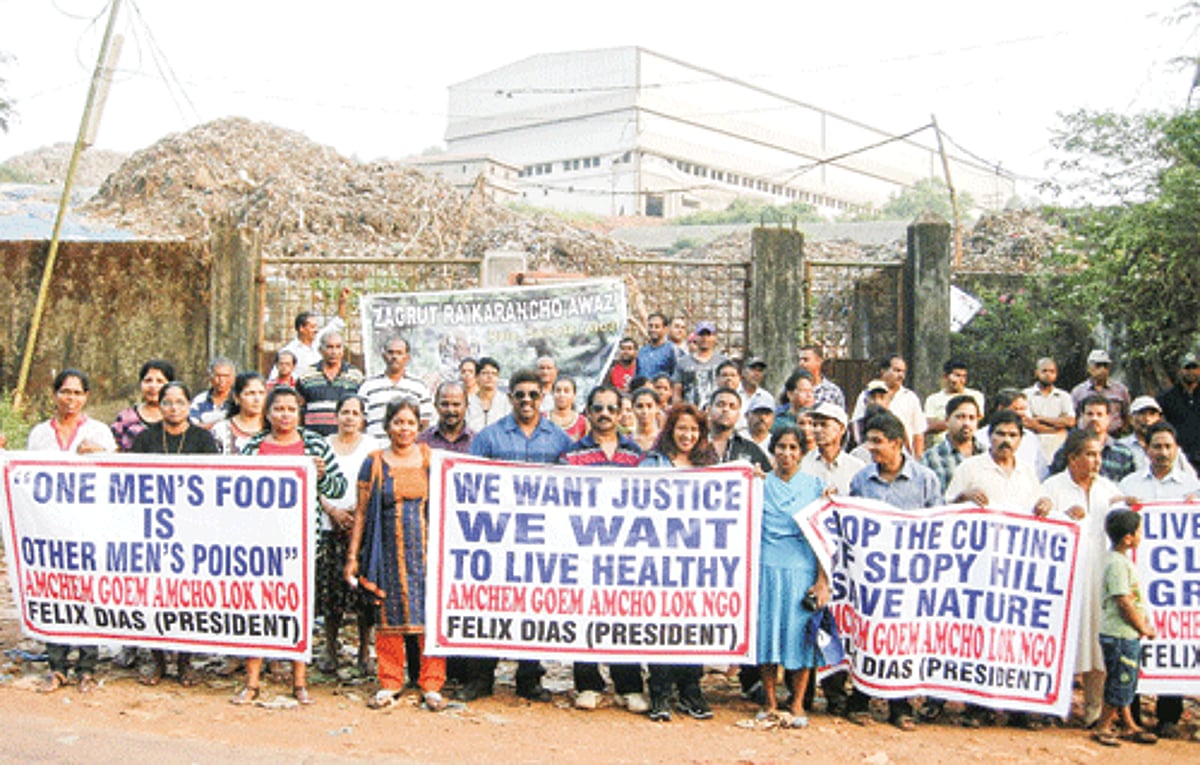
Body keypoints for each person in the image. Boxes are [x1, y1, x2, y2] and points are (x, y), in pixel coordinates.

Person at [463, 369, 573, 702]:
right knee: (491, 604)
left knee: (533, 606)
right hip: (498, 537)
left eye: (533, 395)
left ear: (543, 397)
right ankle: (481, 677)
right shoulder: (489, 437)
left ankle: (529, 677)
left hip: (541, 538)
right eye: (520, 394)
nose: (527, 400)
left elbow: (574, 487)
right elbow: (469, 483)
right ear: (509, 397)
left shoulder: (559, 440)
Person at [233, 385, 347, 706]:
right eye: (279, 409)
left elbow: (338, 488)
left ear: (300, 413)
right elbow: (237, 491)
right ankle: (252, 682)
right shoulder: (253, 447)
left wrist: (322, 476)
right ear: (268, 414)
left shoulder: (315, 445)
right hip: (261, 543)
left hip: (303, 543)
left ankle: (299, 682)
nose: (285, 415)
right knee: (257, 610)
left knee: (300, 611)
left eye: (291, 409)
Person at [344, 398, 448, 712]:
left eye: (410, 423)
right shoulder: (374, 462)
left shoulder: (430, 459)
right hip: (385, 552)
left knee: (429, 618)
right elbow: (362, 513)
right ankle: (390, 681)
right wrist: (353, 557)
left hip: (427, 553)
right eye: (398, 422)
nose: (404, 429)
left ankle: (432, 684)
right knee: (387, 618)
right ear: (387, 426)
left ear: (419, 426)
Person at [846, 411, 940, 730]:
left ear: (897, 443)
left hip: (909, 576)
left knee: (902, 639)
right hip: (871, 574)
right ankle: (860, 698)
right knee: (868, 633)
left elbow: (939, 525)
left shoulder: (925, 479)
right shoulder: (861, 479)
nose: (870, 448)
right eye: (868, 441)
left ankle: (900, 705)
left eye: (877, 442)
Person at [559, 385, 647, 713]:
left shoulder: (636, 455)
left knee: (624, 613)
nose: (605, 414)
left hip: (625, 548)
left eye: (611, 408)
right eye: (598, 408)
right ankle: (588, 683)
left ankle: (629, 684)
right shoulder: (571, 455)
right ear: (588, 412)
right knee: (585, 611)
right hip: (584, 546)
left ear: (621, 412)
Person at [27, 369, 117, 693]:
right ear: (55, 395)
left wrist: (101, 455)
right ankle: (57, 665)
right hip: (50, 525)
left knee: (88, 591)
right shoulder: (40, 434)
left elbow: (116, 473)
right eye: (65, 392)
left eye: (78, 393)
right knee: (53, 590)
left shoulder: (99, 432)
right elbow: (27, 476)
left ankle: (87, 666)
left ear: (87, 397)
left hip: (88, 525)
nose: (71, 399)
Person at [130, 381, 220, 686]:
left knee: (186, 596)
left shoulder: (202, 439)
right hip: (153, 529)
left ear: (188, 405)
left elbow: (214, 481)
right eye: (167, 402)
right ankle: (157, 661)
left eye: (180, 402)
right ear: (160, 406)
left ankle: (184, 662)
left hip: (191, 528)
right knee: (154, 594)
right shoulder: (145, 439)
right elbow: (130, 479)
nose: (173, 408)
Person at [1037, 429, 1123, 727]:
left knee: (1097, 641)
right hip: (1066, 578)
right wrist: (1058, 514)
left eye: (1099, 454)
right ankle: (1052, 708)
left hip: (1099, 574)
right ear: (1073, 458)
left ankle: (1093, 709)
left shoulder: (1109, 490)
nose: (1096, 461)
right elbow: (1039, 521)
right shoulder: (1052, 487)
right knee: (1062, 638)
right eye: (1089, 454)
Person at [640, 403, 719, 722]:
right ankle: (659, 691)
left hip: (696, 559)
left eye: (694, 430)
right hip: (659, 555)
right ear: (671, 430)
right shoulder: (652, 463)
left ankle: (690, 689)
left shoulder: (709, 465)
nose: (688, 435)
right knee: (660, 622)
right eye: (682, 428)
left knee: (692, 622)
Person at [757, 425, 830, 727]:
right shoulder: (759, 484)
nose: (786, 453)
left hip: (802, 568)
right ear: (772, 449)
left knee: (800, 637)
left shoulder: (816, 487)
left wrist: (822, 580)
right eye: (781, 447)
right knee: (767, 634)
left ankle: (797, 702)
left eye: (793, 448)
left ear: (801, 453)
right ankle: (770, 702)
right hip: (766, 567)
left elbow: (824, 537)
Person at [317, 395, 378, 677]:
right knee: (331, 594)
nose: (349, 417)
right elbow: (312, 482)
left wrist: (355, 511)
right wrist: (332, 510)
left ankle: (364, 652)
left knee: (363, 594)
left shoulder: (371, 447)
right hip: (329, 525)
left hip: (361, 528)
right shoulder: (323, 446)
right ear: (336, 415)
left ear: (363, 418)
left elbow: (375, 483)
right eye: (345, 412)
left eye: (355, 413)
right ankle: (330, 648)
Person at [1090, 510, 1158, 747]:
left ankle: (1129, 724)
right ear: (1128, 538)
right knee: (1120, 680)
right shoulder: (1118, 564)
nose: (1141, 535)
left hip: (1123, 633)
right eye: (1139, 531)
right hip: (1120, 633)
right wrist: (1142, 627)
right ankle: (1103, 726)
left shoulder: (1118, 560)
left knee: (1125, 680)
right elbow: (1124, 601)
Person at [358, 336, 434, 438]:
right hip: (375, 445)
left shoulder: (419, 387)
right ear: (384, 356)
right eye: (390, 352)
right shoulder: (368, 386)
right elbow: (360, 422)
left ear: (407, 357)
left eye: (399, 353)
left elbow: (424, 423)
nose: (394, 356)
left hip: (408, 445)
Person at [852, 355, 927, 458]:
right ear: (883, 371)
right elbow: (856, 425)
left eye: (903, 372)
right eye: (896, 370)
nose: (901, 375)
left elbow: (918, 433)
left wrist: (917, 458)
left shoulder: (910, 398)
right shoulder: (866, 395)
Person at [1050, 394, 1135, 483]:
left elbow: (1128, 485)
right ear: (1082, 417)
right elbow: (1056, 480)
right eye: (1090, 414)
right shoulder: (1068, 449)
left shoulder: (1123, 453)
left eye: (1099, 414)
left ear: (1108, 418)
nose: (1094, 418)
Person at [297, 332, 365, 437]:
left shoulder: (355, 376)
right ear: (321, 350)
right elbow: (299, 408)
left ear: (343, 350)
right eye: (329, 347)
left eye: (338, 347)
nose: (334, 352)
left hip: (345, 438)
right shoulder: (307, 375)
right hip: (313, 438)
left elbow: (361, 410)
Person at [271, 293, 348, 378]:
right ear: (301, 328)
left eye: (316, 326)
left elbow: (337, 323)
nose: (316, 330)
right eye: (312, 327)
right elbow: (274, 378)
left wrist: (342, 302)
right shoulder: (289, 351)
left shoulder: (320, 339)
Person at [921, 394, 985, 494]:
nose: (966, 423)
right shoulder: (931, 458)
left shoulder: (988, 454)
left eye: (972, 418)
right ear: (947, 420)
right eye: (960, 417)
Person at [1119, 396, 1196, 478]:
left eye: (1152, 414)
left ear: (1159, 418)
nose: (1147, 419)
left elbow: (1191, 478)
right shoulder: (1121, 446)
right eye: (1142, 413)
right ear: (1131, 418)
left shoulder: (1171, 447)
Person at [981, 389, 1050, 479]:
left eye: (1024, 409)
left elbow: (1042, 473)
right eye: (1017, 409)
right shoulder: (981, 437)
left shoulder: (1031, 438)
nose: (1022, 414)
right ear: (1001, 408)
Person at [110, 359, 175, 452]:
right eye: (148, 380)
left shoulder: (178, 417)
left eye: (160, 381)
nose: (153, 386)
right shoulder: (126, 418)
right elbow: (114, 449)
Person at [801, 403, 864, 497]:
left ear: (841, 429)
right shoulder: (802, 464)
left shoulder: (856, 468)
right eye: (814, 425)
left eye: (824, 425)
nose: (817, 430)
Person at [1023, 357, 1076, 461]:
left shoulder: (1064, 396)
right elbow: (1028, 423)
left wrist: (1041, 418)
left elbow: (1070, 421)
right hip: (1033, 448)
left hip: (1059, 448)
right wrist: (1057, 428)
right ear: (1036, 373)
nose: (1048, 374)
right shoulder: (1026, 395)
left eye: (1052, 371)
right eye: (1044, 371)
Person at [707, 387, 771, 473]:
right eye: (720, 405)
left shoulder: (751, 450)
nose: (726, 409)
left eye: (732, 407)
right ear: (709, 410)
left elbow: (769, 477)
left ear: (738, 415)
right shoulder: (694, 445)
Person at [923, 359, 984, 449]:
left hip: (969, 446)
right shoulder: (933, 399)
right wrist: (955, 423)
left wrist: (945, 423)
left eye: (964, 376)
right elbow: (929, 426)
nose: (961, 380)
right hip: (942, 447)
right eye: (957, 375)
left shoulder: (975, 396)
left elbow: (977, 420)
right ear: (946, 376)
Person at [1070, 349, 1130, 436]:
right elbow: (1073, 417)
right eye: (1098, 365)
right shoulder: (1078, 392)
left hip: (1115, 436)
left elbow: (1127, 414)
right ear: (1089, 368)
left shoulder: (1120, 390)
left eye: (1105, 366)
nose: (1102, 369)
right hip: (1086, 436)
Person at [1157, 351, 1200, 471]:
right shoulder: (1166, 398)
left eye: (1194, 368)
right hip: (1179, 457)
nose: (1191, 372)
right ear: (1179, 370)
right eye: (1187, 368)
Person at [673, 321, 728, 407]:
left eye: (708, 335)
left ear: (714, 337)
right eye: (701, 335)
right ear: (695, 337)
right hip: (690, 411)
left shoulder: (723, 362)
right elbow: (677, 393)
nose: (705, 338)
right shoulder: (682, 362)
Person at [211, 372, 267, 455]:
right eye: (250, 393)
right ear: (237, 398)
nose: (257, 399)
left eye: (261, 393)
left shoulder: (273, 429)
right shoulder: (221, 430)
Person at [419, 381, 474, 454]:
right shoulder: (422, 441)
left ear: (466, 405)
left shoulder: (477, 441)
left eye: (456, 404)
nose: (450, 410)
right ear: (436, 405)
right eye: (444, 404)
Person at [465, 357, 510, 433]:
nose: (490, 377)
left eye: (494, 374)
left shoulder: (506, 402)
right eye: (485, 373)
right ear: (476, 377)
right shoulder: (468, 402)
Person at [189, 357, 236, 429]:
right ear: (210, 377)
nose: (221, 380)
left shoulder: (238, 400)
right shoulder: (200, 400)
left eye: (226, 376)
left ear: (233, 378)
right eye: (217, 376)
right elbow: (193, 426)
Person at [798, 344, 845, 410]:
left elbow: (840, 415)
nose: (801, 363)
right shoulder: (792, 390)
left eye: (806, 360)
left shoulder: (833, 392)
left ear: (819, 361)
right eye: (800, 360)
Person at [637, 312, 677, 380]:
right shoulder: (642, 351)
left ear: (665, 329)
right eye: (650, 326)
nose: (653, 329)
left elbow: (677, 377)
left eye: (657, 327)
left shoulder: (672, 350)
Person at [774, 369, 815, 434]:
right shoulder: (777, 421)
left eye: (811, 391)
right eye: (804, 391)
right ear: (790, 394)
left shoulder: (818, 419)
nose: (809, 395)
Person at [547, 375, 588, 440]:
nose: (562, 394)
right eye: (558, 391)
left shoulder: (583, 423)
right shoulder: (541, 419)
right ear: (552, 393)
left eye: (566, 391)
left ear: (574, 395)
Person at [630, 387, 662, 452]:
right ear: (632, 408)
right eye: (640, 406)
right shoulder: (626, 441)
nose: (645, 411)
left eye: (649, 406)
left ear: (657, 408)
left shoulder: (664, 440)